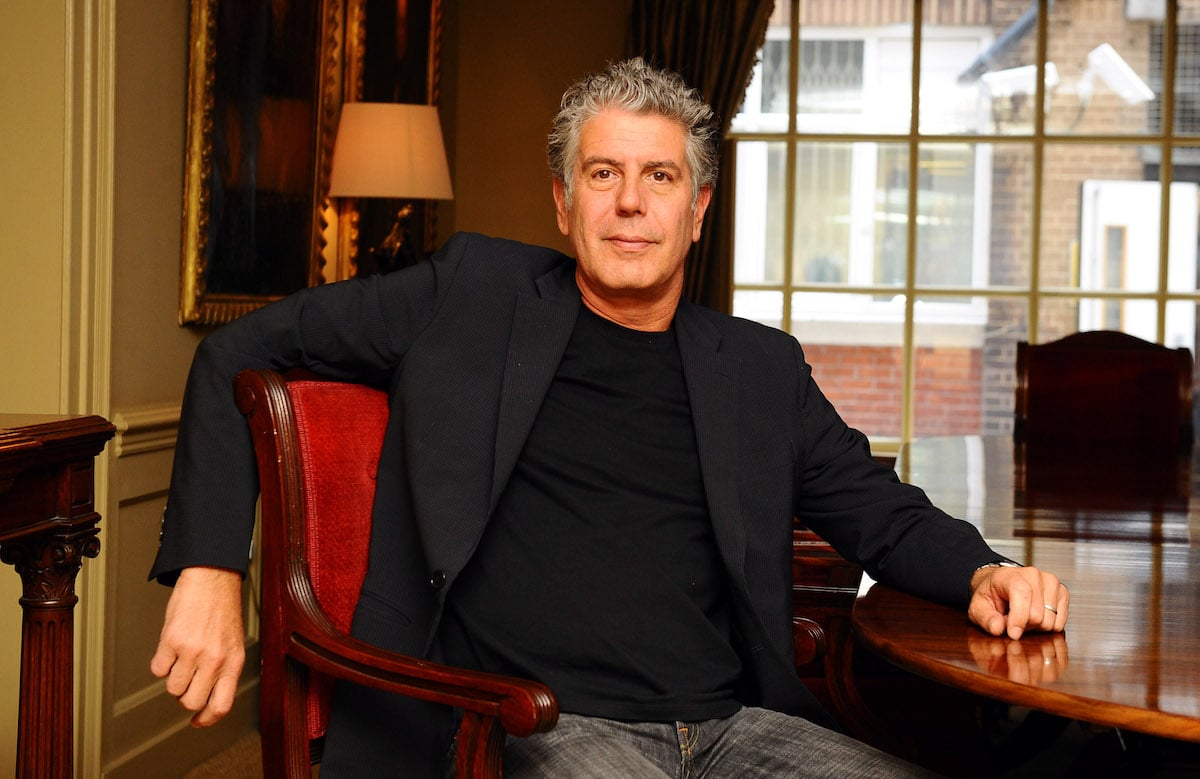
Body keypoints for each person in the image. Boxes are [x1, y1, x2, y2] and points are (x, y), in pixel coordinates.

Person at [150, 58, 1069, 777]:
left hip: (732, 728)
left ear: (697, 210)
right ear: (564, 201)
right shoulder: (469, 295)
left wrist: (984, 568)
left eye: (660, 175)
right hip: (539, 724)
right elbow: (238, 350)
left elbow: (878, 508)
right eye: (603, 172)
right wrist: (210, 567)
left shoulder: (759, 368)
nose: (631, 201)